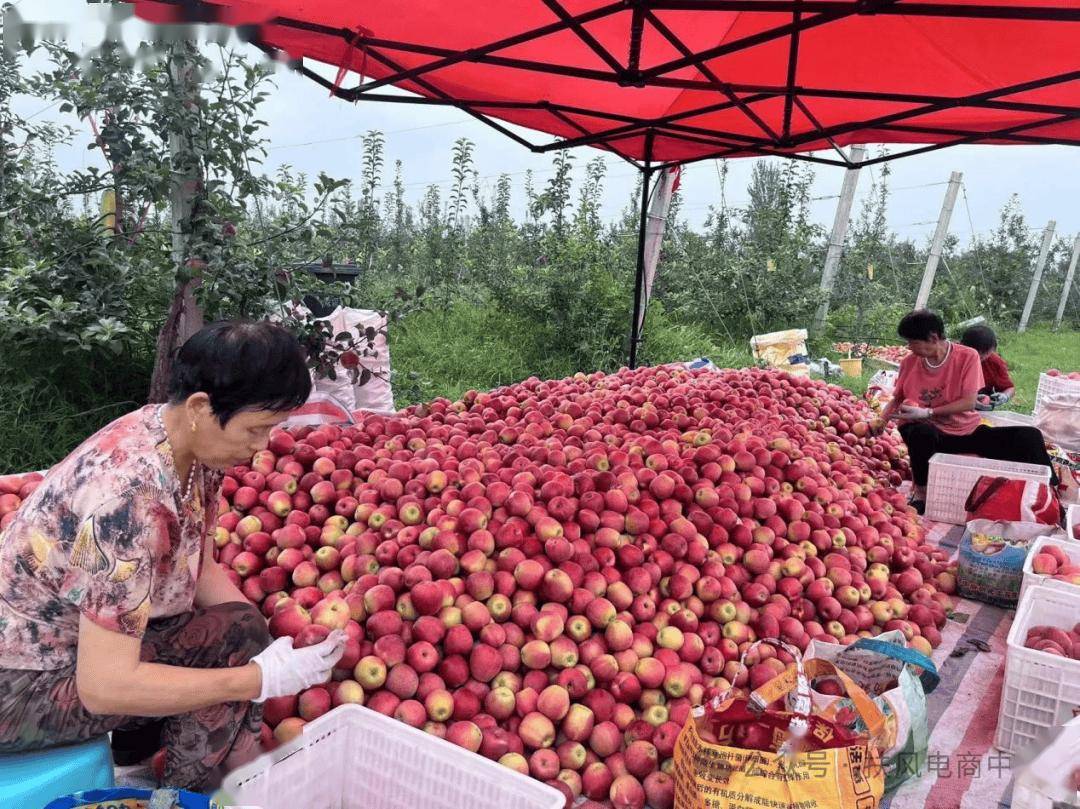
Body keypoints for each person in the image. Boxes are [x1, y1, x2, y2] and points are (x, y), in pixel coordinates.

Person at [0, 321, 345, 792]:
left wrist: (273, 644)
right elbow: (103, 687)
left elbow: (197, 568)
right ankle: (186, 797)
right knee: (234, 658)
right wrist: (255, 678)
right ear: (202, 407)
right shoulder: (127, 499)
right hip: (18, 689)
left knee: (241, 631)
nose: (262, 445)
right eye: (256, 428)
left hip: (78, 647)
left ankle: (142, 759)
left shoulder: (190, 447)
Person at [882, 310, 1055, 514]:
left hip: (965, 431)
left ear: (933, 337)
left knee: (1029, 436)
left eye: (912, 341)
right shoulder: (909, 363)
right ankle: (921, 494)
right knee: (919, 432)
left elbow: (968, 402)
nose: (909, 347)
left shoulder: (967, 356)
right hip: (931, 435)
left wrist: (928, 412)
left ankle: (1049, 491)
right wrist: (880, 422)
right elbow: (897, 398)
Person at [960, 324, 1016, 410]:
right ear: (962, 346)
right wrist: (969, 401)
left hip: (981, 408)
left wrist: (1005, 396)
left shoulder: (994, 361)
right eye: (976, 355)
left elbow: (1009, 388)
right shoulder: (950, 357)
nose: (979, 358)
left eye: (984, 356)